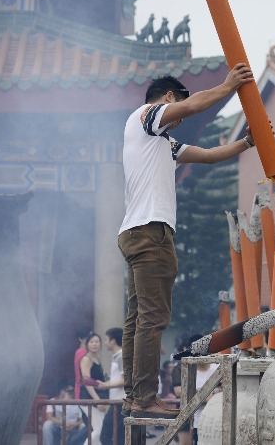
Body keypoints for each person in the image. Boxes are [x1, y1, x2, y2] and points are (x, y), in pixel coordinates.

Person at [118, 66, 255, 419]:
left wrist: (245, 144)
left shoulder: (161, 141)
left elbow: (208, 155)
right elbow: (192, 108)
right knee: (153, 317)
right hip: (151, 233)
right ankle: (145, 396)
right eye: (176, 105)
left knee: (139, 318)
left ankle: (136, 395)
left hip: (137, 231)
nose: (177, 118)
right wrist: (227, 86)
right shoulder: (147, 116)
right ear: (167, 98)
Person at [172, 335, 219, 445]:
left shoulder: (218, 366)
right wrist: (206, 396)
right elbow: (179, 391)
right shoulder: (182, 368)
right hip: (189, 415)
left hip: (214, 417)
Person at [98, 328, 125, 445]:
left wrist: (106, 387)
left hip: (121, 402)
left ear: (113, 341)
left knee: (106, 435)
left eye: (106, 339)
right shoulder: (117, 356)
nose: (104, 342)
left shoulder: (122, 356)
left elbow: (127, 380)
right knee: (118, 437)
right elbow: (117, 379)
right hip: (117, 402)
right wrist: (105, 384)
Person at [80, 333, 108, 441]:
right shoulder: (86, 359)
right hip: (89, 398)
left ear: (100, 345)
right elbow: (86, 381)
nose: (94, 344)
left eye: (97, 342)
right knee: (99, 430)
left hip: (97, 398)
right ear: (87, 345)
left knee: (100, 430)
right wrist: (97, 399)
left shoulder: (97, 359)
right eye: (91, 342)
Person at [73, 325, 92, 400]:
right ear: (80, 339)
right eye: (88, 337)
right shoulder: (82, 353)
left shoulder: (81, 352)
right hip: (85, 390)